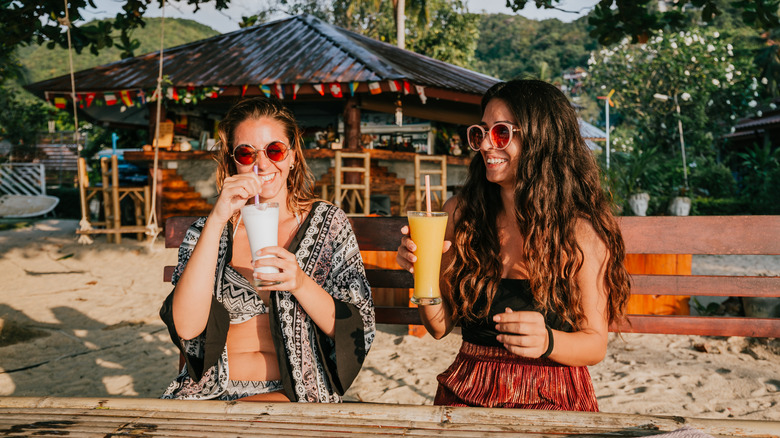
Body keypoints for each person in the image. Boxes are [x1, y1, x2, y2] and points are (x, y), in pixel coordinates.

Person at [396, 80, 630, 411]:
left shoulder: (580, 233)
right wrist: (424, 275)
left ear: (540, 139)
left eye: (502, 133)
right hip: (471, 384)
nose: (487, 145)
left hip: (552, 390)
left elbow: (595, 345)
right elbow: (438, 326)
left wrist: (548, 340)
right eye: (481, 133)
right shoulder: (460, 215)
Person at [160, 96, 375, 402]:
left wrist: (300, 283)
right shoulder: (209, 230)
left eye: (274, 150)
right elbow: (186, 326)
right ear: (233, 161)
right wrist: (218, 218)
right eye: (246, 153)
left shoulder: (329, 224)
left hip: (294, 394)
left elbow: (358, 327)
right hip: (211, 393)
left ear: (292, 155)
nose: (262, 164)